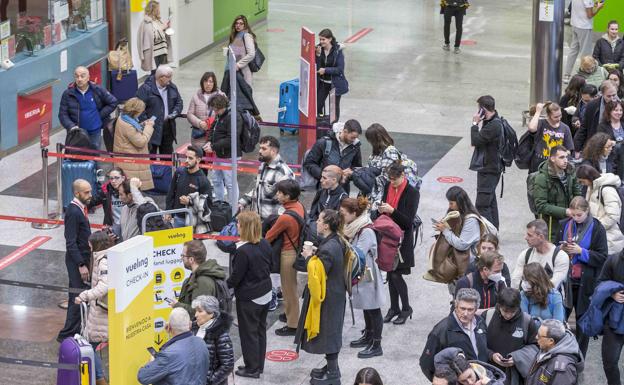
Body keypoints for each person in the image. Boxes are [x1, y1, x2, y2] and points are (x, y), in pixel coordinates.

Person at [297, 210, 347, 385]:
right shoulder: (335, 240)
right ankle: (330, 367)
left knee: (329, 334)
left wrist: (309, 257)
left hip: (329, 297)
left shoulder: (328, 248)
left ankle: (333, 373)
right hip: (336, 293)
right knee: (331, 331)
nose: (316, 222)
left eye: (319, 220)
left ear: (326, 225)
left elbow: (319, 273)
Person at [556, 196, 608, 357]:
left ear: (587, 211)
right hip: (566, 281)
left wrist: (581, 252)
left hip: (586, 282)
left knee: (582, 323)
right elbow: (555, 248)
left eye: (579, 215)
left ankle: (579, 358)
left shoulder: (598, 228)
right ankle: (561, 357)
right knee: (560, 321)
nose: (576, 218)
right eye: (573, 214)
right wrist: (561, 249)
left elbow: (602, 257)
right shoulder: (563, 224)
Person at [227, 211, 272, 379]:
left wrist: (223, 286)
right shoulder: (265, 243)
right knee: (260, 330)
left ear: (244, 227)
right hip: (265, 292)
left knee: (248, 333)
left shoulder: (243, 251)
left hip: (249, 297)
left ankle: (252, 368)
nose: (236, 226)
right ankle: (258, 365)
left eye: (238, 224)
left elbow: (236, 278)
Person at [340, 197, 385, 358]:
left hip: (367, 272)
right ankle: (368, 335)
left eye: (344, 213)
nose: (342, 216)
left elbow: (356, 254)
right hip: (361, 272)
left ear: (354, 213)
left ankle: (376, 344)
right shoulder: (353, 226)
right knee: (367, 306)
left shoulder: (365, 230)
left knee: (373, 307)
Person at [377, 163, 419, 325]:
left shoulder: (412, 193)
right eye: (390, 179)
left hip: (402, 239)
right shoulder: (388, 185)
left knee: (396, 274)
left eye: (395, 179)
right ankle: (394, 308)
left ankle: (406, 308)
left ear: (403, 175)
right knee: (389, 272)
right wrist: (380, 209)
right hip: (387, 235)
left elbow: (408, 222)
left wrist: (392, 211)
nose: (392, 182)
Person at [420, 288, 489, 381]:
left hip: (481, 379)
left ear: (476, 309)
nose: (465, 313)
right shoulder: (441, 330)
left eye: (470, 310)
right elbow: (426, 365)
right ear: (456, 306)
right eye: (462, 308)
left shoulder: (480, 322)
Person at [265, 179, 305, 336]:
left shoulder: (285, 217)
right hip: (295, 251)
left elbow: (269, 236)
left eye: (280, 193)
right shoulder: (299, 206)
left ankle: (293, 325)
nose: (277, 195)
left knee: (289, 290)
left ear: (287, 196)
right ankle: (290, 315)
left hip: (287, 254)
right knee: (290, 288)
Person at [74, 231, 112, 385]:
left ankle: (100, 380)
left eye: (90, 244)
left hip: (101, 313)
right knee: (89, 344)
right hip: (102, 310)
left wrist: (85, 296)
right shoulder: (107, 256)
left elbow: (104, 286)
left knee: (88, 346)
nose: (88, 246)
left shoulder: (103, 261)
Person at [57, 179, 93, 342]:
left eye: (90, 191)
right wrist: (81, 265)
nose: (90, 195)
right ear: (77, 193)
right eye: (86, 192)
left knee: (77, 296)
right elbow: (70, 242)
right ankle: (68, 334)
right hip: (76, 261)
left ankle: (74, 331)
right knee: (76, 297)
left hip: (81, 259)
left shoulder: (80, 209)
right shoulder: (73, 212)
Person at [137, 308, 209, 385]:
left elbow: (143, 377)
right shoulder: (201, 342)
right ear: (190, 324)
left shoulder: (168, 355)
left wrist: (152, 361)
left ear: (169, 327)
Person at [484, 288, 540, 385]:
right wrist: (491, 355)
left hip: (515, 376)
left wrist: (517, 358)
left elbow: (536, 346)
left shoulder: (527, 321)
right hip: (488, 372)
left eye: (512, 311)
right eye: (505, 311)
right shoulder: (487, 316)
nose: (509, 315)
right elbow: (477, 343)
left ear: (518, 307)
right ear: (499, 305)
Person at [59, 66, 118, 149]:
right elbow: (62, 114)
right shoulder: (68, 94)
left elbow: (113, 102)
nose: (79, 79)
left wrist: (99, 115)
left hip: (95, 131)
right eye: (77, 76)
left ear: (88, 77)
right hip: (77, 134)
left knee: (95, 155)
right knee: (78, 158)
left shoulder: (97, 89)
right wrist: (71, 126)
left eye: (82, 76)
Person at [533, 145, 583, 241]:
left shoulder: (570, 172)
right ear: (552, 158)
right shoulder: (542, 178)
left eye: (566, 157)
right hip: (551, 225)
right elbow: (541, 205)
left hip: (570, 222)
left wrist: (578, 206)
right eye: (561, 157)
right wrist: (565, 211)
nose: (565, 161)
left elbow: (577, 193)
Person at [240, 135, 295, 220]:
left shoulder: (284, 172)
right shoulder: (263, 166)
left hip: (271, 224)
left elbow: (289, 201)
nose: (260, 151)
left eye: (264, 149)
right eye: (260, 148)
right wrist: (243, 202)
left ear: (273, 151)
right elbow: (258, 189)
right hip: (258, 221)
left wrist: (278, 223)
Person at [361, 123, 416, 206]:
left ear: (375, 140)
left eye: (370, 140)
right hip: (375, 194)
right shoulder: (375, 154)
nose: (370, 143)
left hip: (385, 198)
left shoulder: (390, 152)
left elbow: (388, 178)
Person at [469, 95, 503, 229]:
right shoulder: (493, 121)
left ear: (483, 109)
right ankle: (494, 230)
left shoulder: (493, 126)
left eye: (479, 109)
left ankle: (488, 232)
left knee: (482, 204)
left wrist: (474, 124)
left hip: (489, 170)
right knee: (490, 201)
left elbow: (475, 141)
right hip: (491, 168)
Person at [576, 164, 624, 256]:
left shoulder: (607, 190)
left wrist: (595, 227)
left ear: (589, 178)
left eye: (582, 181)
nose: (582, 184)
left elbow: (613, 216)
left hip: (610, 240)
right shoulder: (592, 187)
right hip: (600, 238)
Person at [303, 119, 362, 192]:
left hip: (343, 190)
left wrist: (351, 173)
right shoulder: (323, 143)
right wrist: (324, 175)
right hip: (324, 190)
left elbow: (358, 168)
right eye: (352, 137)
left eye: (356, 138)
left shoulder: (355, 146)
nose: (354, 140)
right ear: (345, 131)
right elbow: (309, 163)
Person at [136, 65, 183, 156]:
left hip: (168, 127)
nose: (171, 79)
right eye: (169, 77)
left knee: (167, 158)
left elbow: (179, 102)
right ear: (161, 77)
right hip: (151, 129)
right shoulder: (145, 89)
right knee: (151, 157)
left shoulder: (172, 87)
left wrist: (175, 112)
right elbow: (138, 109)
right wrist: (147, 123)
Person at [511, 219, 570, 290]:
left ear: (541, 237)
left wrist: (528, 288)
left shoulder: (560, 257)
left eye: (529, 235)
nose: (525, 238)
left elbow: (553, 286)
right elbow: (515, 282)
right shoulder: (526, 255)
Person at [171, 240, 226, 317]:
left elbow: (197, 312)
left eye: (183, 256)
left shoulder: (202, 282)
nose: (181, 258)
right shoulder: (198, 275)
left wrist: (177, 305)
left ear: (191, 260)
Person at [204, 94, 243, 202]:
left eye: (216, 110)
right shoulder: (221, 115)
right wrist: (209, 142)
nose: (215, 112)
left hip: (230, 155)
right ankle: (219, 202)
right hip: (219, 153)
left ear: (222, 106)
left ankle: (232, 207)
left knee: (230, 183)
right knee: (216, 180)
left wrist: (213, 146)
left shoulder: (233, 116)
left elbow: (231, 139)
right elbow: (213, 129)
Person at [433, 186, 483, 267]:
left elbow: (462, 245)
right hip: (458, 258)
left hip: (470, 261)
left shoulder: (471, 221)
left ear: (459, 202)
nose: (449, 206)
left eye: (451, 203)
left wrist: (445, 231)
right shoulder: (456, 213)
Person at [191, 295, 235, 385]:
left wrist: (209, 381)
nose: (196, 315)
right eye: (196, 311)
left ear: (212, 314)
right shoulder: (194, 328)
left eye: (200, 311)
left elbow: (228, 365)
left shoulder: (222, 336)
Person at [113, 97, 155, 190]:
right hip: (131, 161)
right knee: (132, 190)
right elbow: (141, 142)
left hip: (126, 159)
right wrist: (149, 127)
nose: (141, 113)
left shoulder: (124, 118)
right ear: (135, 111)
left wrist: (142, 124)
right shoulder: (128, 125)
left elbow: (133, 132)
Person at [165, 145, 212, 228]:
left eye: (190, 158)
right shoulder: (179, 172)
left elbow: (207, 205)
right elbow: (171, 192)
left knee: (191, 242)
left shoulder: (203, 181)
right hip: (178, 218)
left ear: (198, 160)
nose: (186, 160)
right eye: (186, 157)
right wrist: (168, 211)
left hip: (193, 221)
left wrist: (190, 202)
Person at [525, 319, 584, 385]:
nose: (536, 337)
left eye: (539, 335)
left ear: (551, 341)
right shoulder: (546, 348)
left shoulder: (563, 369)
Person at [597, 252, 624, 384]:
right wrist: (612, 293)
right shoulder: (613, 260)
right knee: (609, 363)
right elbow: (600, 283)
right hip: (614, 320)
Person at [563, 0, 604, 82]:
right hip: (584, 27)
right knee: (586, 54)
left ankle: (566, 75)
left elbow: (582, 8)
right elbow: (590, 15)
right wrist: (598, 8)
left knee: (573, 51)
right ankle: (584, 76)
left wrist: (593, 5)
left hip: (575, 25)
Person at [527, 102, 574, 173]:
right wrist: (538, 112)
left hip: (556, 167)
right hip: (539, 165)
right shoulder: (541, 123)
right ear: (548, 115)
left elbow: (569, 150)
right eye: (555, 117)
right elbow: (532, 128)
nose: (559, 119)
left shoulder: (565, 128)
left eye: (560, 115)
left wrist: (560, 158)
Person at [574, 80, 619, 151]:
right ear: (602, 94)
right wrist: (577, 149)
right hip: (596, 145)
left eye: (614, 95)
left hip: (616, 146)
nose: (612, 99)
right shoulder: (592, 106)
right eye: (608, 96)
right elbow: (584, 128)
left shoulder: (621, 106)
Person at [316, 28, 348, 121]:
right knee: (318, 104)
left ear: (330, 39)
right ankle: (320, 121)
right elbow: (317, 67)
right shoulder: (318, 49)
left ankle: (333, 126)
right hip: (323, 83)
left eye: (323, 39)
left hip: (334, 84)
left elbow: (339, 69)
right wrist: (317, 56)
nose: (321, 42)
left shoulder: (337, 51)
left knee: (333, 109)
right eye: (320, 39)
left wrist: (326, 70)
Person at [187, 72, 225, 149]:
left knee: (213, 159)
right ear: (202, 82)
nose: (208, 84)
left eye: (211, 81)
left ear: (214, 83)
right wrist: (200, 123)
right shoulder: (196, 96)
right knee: (199, 158)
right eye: (205, 81)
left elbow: (226, 114)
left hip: (215, 135)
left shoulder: (221, 96)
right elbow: (189, 114)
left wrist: (212, 122)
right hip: (199, 135)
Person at [433, 347, 506, 385]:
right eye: (464, 381)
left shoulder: (489, 375)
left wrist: (490, 383)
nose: (470, 382)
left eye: (469, 376)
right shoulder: (454, 380)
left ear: (472, 366)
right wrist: (458, 354)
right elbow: (439, 358)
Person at [137, 0, 170, 73]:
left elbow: (161, 34)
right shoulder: (147, 23)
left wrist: (166, 28)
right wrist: (162, 28)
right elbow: (154, 37)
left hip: (162, 51)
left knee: (163, 74)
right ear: (153, 10)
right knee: (156, 75)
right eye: (158, 9)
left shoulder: (157, 21)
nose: (159, 11)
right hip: (155, 53)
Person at [228, 15, 256, 87]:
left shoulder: (246, 36)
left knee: (245, 93)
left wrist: (238, 65)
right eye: (236, 23)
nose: (238, 25)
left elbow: (251, 54)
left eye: (241, 23)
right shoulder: (235, 36)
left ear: (245, 25)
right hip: (234, 70)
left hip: (244, 70)